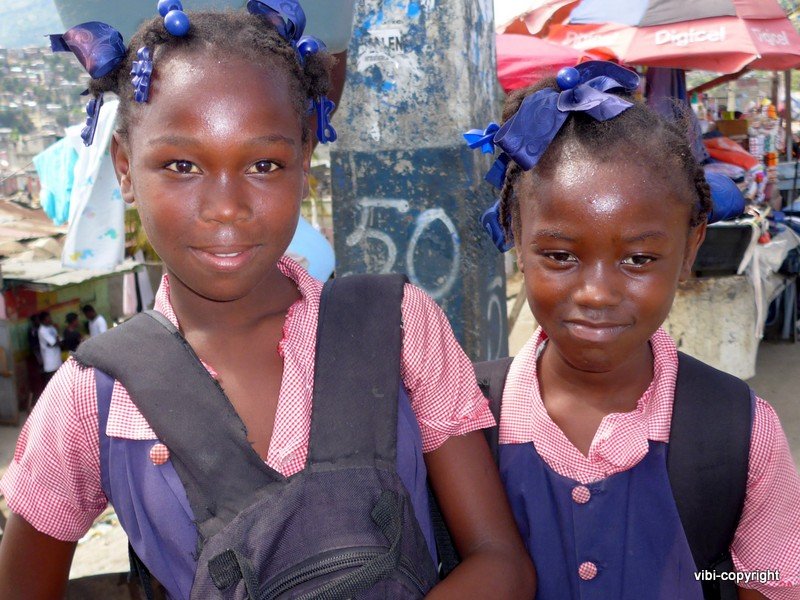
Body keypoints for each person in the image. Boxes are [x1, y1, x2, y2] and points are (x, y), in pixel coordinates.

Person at [0, 3, 535, 599]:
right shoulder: (94, 397)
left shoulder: (399, 326)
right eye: (181, 165)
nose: (225, 207)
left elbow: (501, 563)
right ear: (125, 167)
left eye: (263, 164)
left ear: (304, 160)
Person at [466, 62, 800, 599]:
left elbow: (765, 580)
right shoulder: (462, 423)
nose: (597, 293)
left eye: (639, 259)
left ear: (689, 250)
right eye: (560, 255)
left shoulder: (740, 431)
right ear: (515, 237)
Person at [36, 311, 62, 387]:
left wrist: (57, 341)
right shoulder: (42, 330)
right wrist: (57, 341)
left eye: (50, 318)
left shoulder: (52, 327)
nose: (50, 319)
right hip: (50, 364)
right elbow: (54, 343)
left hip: (57, 361)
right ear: (43, 321)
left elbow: (59, 340)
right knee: (53, 386)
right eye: (48, 318)